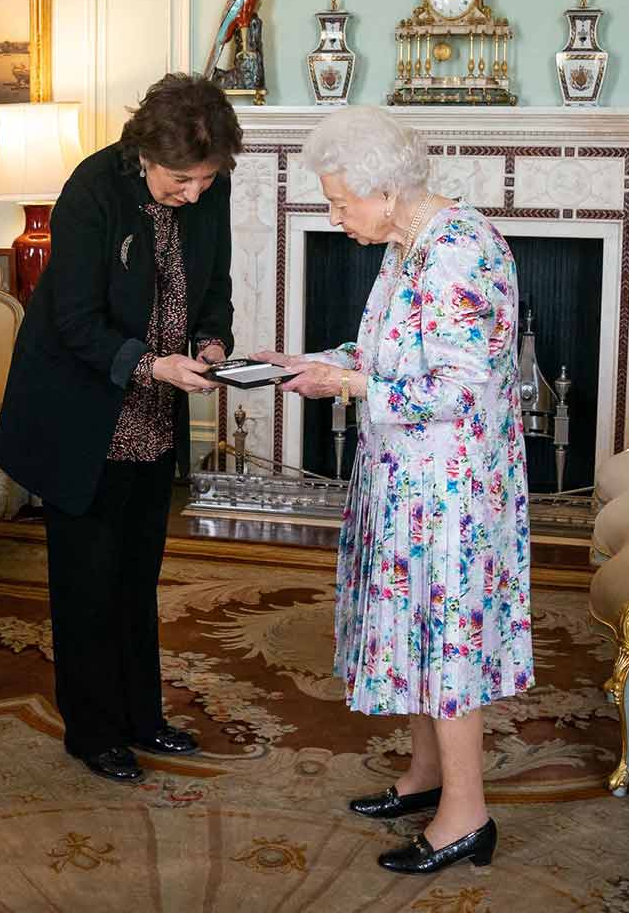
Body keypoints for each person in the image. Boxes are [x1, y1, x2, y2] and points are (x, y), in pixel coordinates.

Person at [260, 106, 532, 876]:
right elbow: (390, 353)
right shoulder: (407, 245)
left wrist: (345, 384)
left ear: (386, 188)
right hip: (406, 474)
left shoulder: (458, 251)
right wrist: (307, 360)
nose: (335, 214)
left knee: (447, 639)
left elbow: (454, 385)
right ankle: (426, 777)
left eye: (343, 201)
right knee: (417, 626)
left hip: (450, 486)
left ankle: (466, 815)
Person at [0, 72, 240, 784]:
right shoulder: (92, 189)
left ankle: (142, 717)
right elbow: (73, 321)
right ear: (145, 152)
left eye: (205, 179)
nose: (193, 193)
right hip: (82, 414)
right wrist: (153, 367)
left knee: (136, 577)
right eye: (181, 179)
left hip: (155, 417)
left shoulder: (208, 188)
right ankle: (93, 732)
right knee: (87, 582)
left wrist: (213, 342)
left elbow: (213, 284)